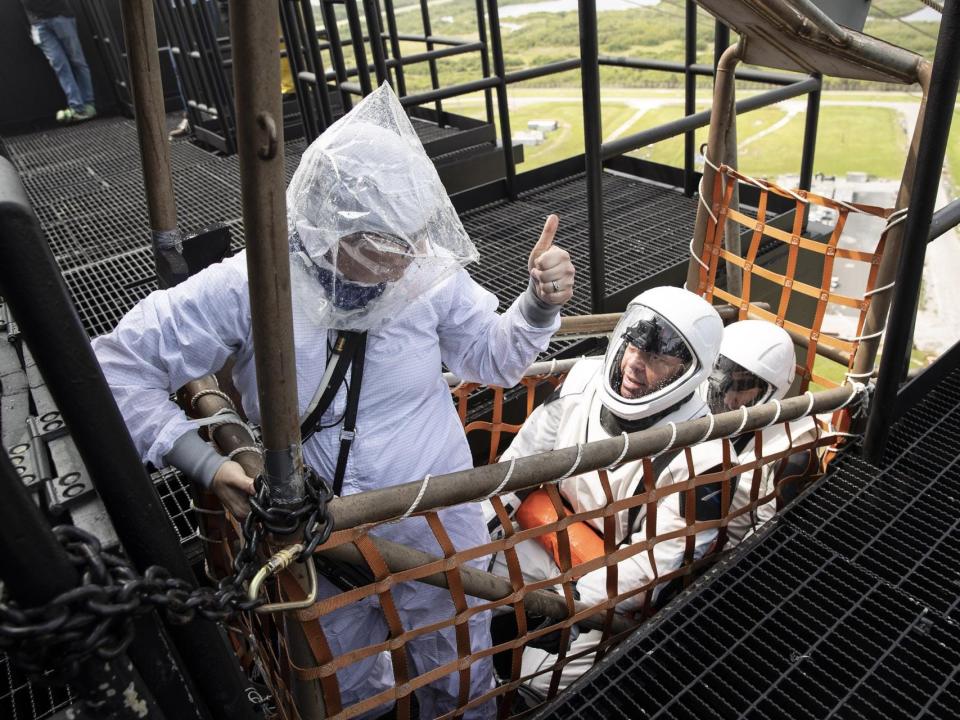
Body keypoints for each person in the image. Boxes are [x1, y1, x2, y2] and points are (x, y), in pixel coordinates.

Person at [92, 84, 575, 719]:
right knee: (340, 684)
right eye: (383, 247)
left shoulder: (426, 272)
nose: (404, 264)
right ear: (331, 229)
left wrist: (539, 303)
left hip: (436, 520)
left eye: (413, 241)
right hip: (318, 536)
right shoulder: (251, 284)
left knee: (457, 664)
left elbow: (494, 355)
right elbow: (114, 367)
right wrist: (204, 462)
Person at [484, 286, 731, 694]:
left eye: (655, 358)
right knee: (460, 582)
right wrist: (474, 539)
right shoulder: (583, 378)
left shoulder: (706, 456)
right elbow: (518, 468)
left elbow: (654, 563)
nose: (634, 364)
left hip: (610, 592)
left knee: (540, 677)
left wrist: (572, 613)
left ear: (691, 372)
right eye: (634, 347)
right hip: (544, 539)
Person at [704, 320, 821, 546]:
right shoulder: (698, 405)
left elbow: (764, 537)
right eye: (724, 383)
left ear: (770, 387)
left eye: (743, 387)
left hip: (717, 556)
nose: (729, 399)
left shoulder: (789, 444)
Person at [21, 0, 96, 124]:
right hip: (38, 24)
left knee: (77, 61)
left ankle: (88, 105)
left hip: (60, 17)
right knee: (60, 66)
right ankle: (77, 107)